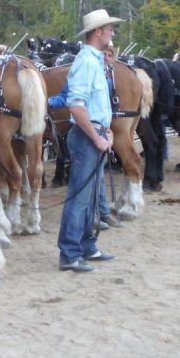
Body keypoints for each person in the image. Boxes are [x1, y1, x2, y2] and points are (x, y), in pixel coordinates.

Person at [57, 9, 122, 273]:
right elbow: (76, 106)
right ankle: (70, 253)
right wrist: (97, 136)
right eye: (110, 29)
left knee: (91, 196)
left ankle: (86, 246)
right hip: (87, 137)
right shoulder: (86, 62)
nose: (112, 33)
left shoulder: (94, 60)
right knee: (80, 197)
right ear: (98, 32)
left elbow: (93, 105)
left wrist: (105, 131)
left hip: (94, 135)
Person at [48, 42, 122, 230]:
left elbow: (107, 109)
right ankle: (98, 217)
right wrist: (46, 101)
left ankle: (100, 215)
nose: (107, 57)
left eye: (110, 55)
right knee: (88, 183)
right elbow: (68, 98)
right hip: (87, 131)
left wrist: (107, 132)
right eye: (104, 54)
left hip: (100, 131)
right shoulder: (86, 69)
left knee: (96, 178)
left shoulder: (107, 79)